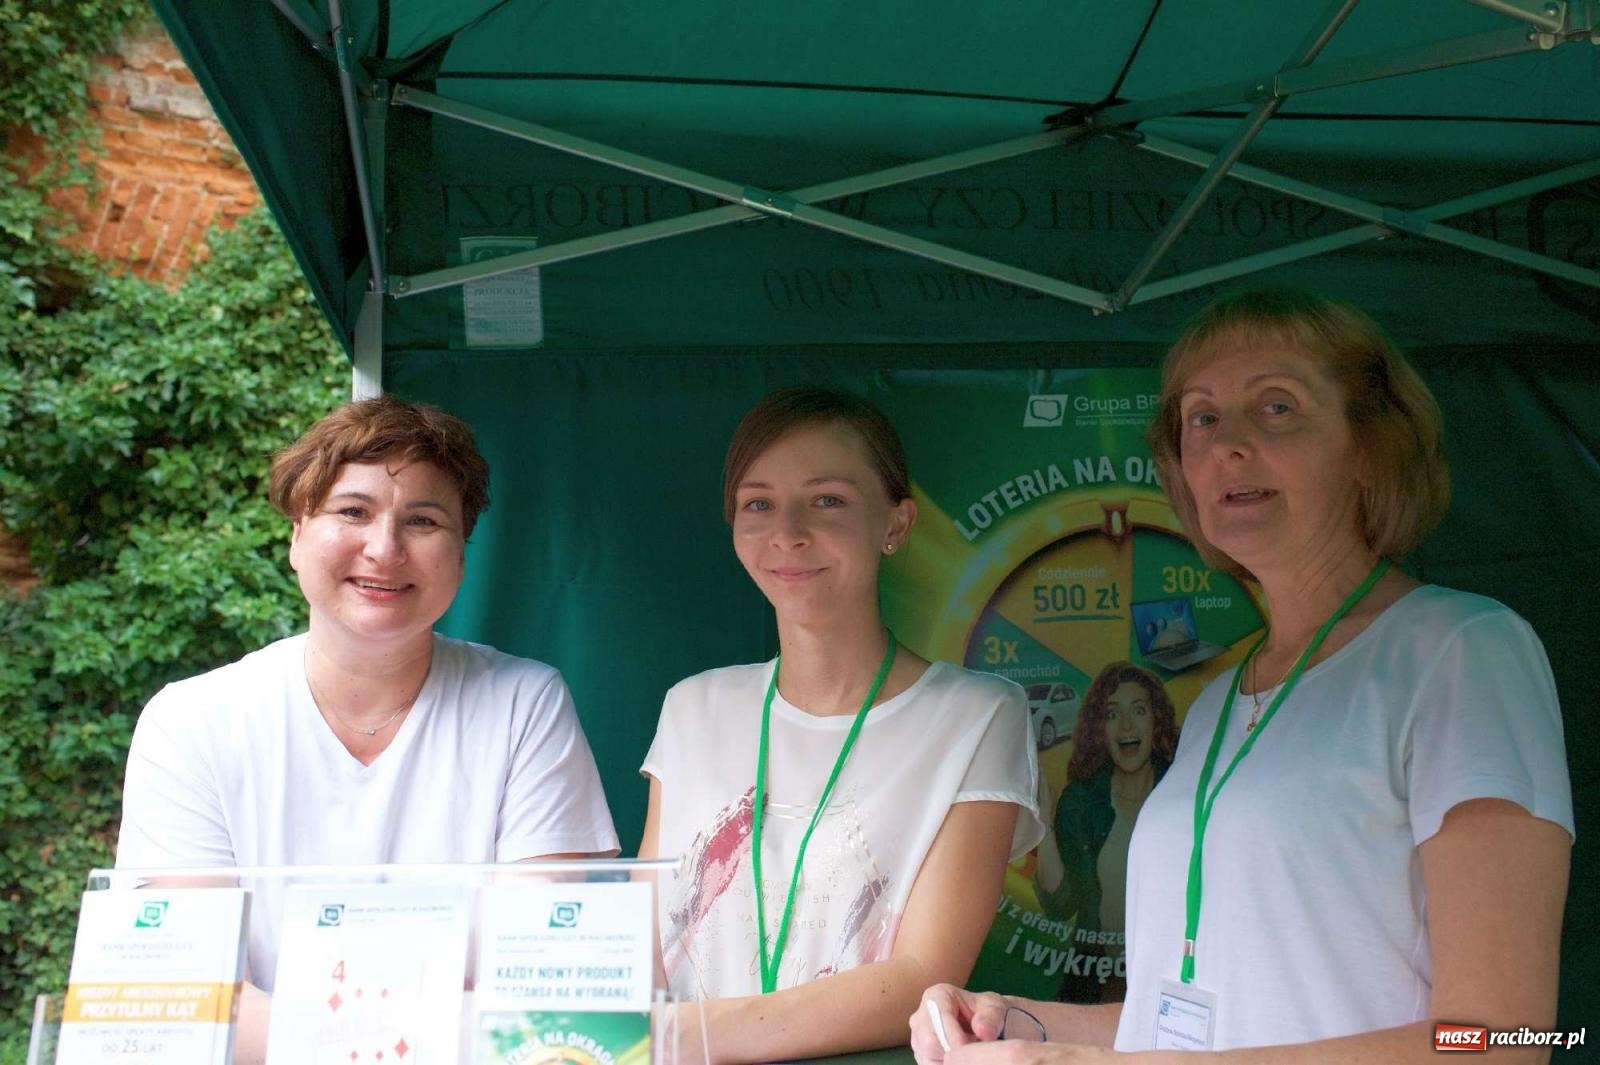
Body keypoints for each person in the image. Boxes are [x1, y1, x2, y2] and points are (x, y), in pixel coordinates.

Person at [911, 289, 1572, 1062]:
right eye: (1202, 417)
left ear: (1370, 446)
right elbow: (1184, 1024)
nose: (1228, 443)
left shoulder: (1462, 650)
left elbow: (1500, 1039)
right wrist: (1017, 1022)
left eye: (1277, 407)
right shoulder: (1217, 703)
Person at [115, 396, 619, 1049]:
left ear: (462, 557)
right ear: (297, 536)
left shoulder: (524, 704)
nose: (384, 548)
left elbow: (545, 979)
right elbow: (193, 995)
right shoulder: (190, 721)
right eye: (352, 511)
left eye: (424, 520)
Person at [638, 387, 1045, 1064]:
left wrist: (669, 1036)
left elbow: (919, 979)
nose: (788, 532)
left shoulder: (977, 716)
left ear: (896, 523)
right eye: (758, 504)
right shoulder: (692, 708)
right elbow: (638, 947)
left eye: (827, 500)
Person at [1033, 662, 1177, 1002]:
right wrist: (1043, 825)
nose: (1126, 724)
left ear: (1156, 721)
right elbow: (1059, 905)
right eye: (1112, 714)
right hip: (1094, 986)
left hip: (1171, 981)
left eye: (1138, 710)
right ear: (1099, 729)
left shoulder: (1184, 791)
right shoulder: (1080, 800)